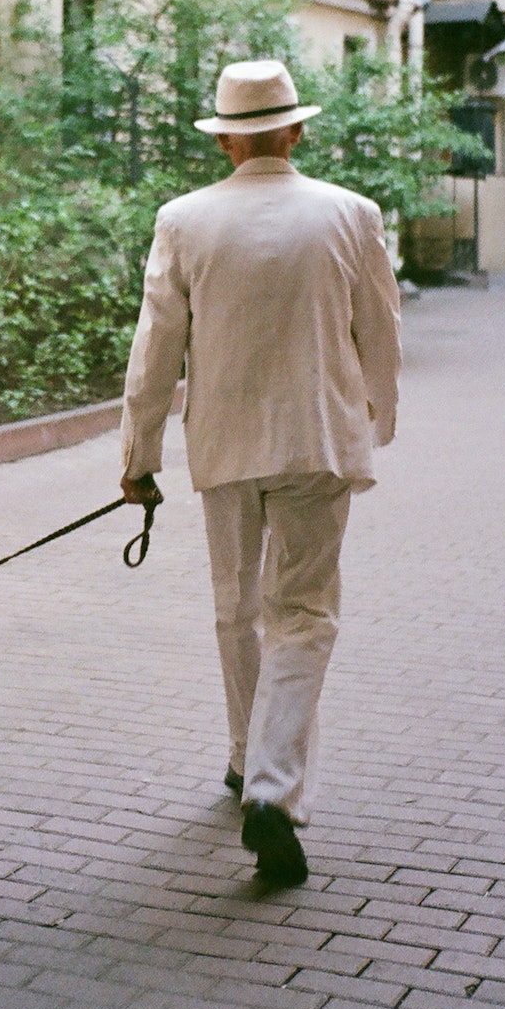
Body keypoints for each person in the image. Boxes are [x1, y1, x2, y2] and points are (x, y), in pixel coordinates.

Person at [119, 59, 402, 887]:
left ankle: (247, 761)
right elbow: (379, 329)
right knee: (304, 615)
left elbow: (155, 352)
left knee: (235, 608)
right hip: (319, 443)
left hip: (225, 446)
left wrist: (138, 460)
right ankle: (272, 790)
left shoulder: (183, 221)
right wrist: (378, 417)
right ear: (297, 130)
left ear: (226, 142)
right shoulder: (351, 215)